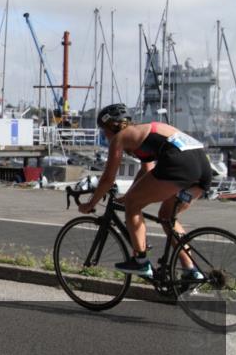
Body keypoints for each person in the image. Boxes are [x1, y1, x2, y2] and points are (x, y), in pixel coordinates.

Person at [79, 104, 210, 280]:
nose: (105, 136)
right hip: (202, 168)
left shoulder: (121, 138)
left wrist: (90, 204)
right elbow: (147, 171)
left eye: (104, 131)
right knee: (166, 216)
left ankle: (140, 261)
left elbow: (108, 179)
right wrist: (128, 196)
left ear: (112, 126)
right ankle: (191, 271)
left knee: (133, 205)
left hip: (179, 164)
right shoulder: (145, 132)